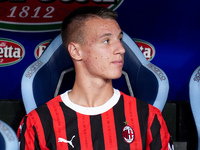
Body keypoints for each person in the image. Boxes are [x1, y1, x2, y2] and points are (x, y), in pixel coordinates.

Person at [17, 6, 174, 150]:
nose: (121, 49)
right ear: (76, 51)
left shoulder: (148, 117)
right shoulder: (36, 123)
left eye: (119, 39)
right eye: (106, 41)